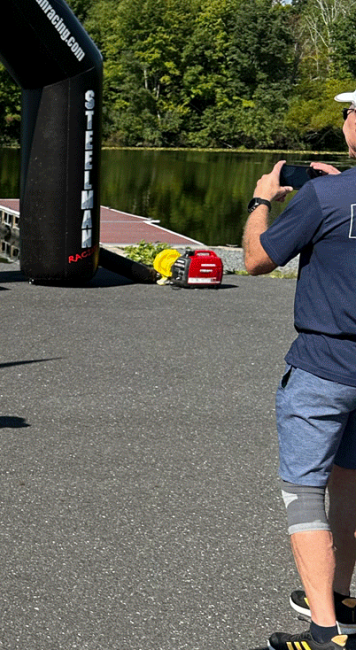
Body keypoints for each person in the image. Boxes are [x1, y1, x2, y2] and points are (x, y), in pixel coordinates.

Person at [244, 87, 356, 650]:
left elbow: (256, 259)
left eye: (349, 113)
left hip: (323, 369)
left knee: (306, 493)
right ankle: (342, 598)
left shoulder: (327, 199)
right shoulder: (334, 193)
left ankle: (325, 632)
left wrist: (261, 200)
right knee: (351, 483)